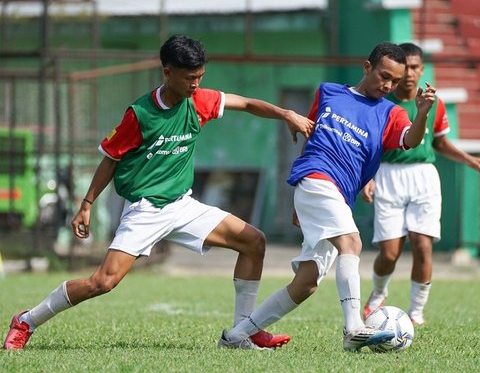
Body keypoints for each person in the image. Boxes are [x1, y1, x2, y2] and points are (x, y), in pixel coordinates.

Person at [2, 34, 315, 351]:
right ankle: (26, 320)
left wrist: (286, 114)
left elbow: (246, 104)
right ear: (168, 72)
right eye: (190, 78)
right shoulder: (140, 114)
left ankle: (240, 333)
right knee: (103, 282)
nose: (196, 84)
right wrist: (86, 204)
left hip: (182, 205)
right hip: (146, 210)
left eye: (200, 77)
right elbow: (110, 159)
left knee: (253, 241)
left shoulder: (199, 102)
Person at [218, 42, 437, 352]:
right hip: (316, 180)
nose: (388, 85)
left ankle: (236, 336)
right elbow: (314, 138)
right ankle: (353, 329)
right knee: (352, 243)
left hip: (336, 194)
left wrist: (422, 114)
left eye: (395, 82)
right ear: (366, 67)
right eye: (384, 76)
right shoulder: (328, 92)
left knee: (306, 282)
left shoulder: (392, 112)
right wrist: (301, 196)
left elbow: (410, 140)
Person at [361, 43, 480, 325]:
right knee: (390, 252)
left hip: (424, 176)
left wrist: (469, 160)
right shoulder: (381, 102)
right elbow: (370, 147)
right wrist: (368, 177)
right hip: (389, 175)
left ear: (422, 69)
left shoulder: (432, 102)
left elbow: (439, 143)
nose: (411, 74)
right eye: (407, 69)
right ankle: (378, 293)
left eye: (416, 67)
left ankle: (416, 312)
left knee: (423, 244)